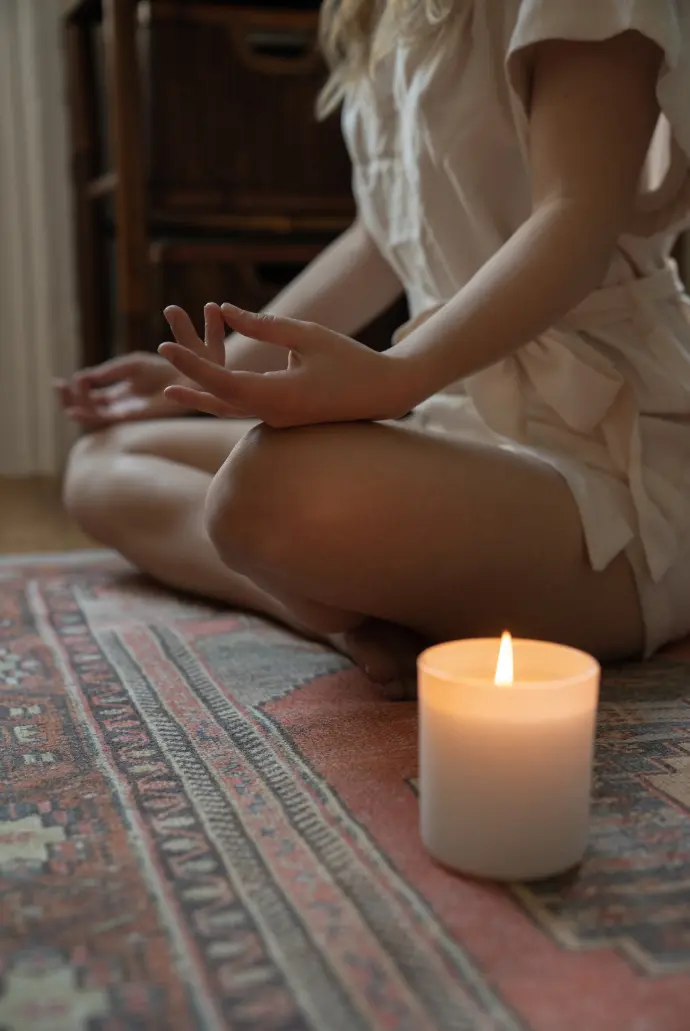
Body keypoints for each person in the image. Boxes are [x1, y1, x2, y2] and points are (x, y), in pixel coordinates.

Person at [59, 0, 690, 694]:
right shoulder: (381, 12)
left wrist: (398, 376)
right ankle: (341, 622)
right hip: (450, 422)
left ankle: (340, 587)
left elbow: (577, 212)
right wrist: (213, 374)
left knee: (263, 491)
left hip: (606, 457)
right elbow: (380, 240)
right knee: (103, 462)